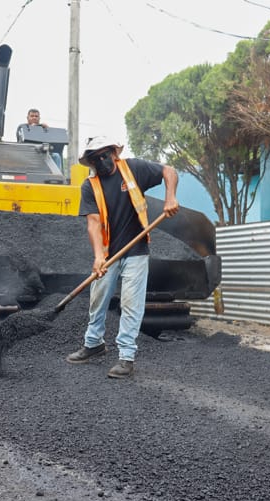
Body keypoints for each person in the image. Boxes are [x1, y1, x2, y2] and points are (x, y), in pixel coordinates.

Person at [65, 136, 179, 378]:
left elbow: (169, 171)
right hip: (108, 252)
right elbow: (93, 223)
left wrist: (170, 197)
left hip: (136, 251)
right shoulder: (90, 185)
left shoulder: (134, 169)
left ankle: (126, 357)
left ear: (114, 153)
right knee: (97, 298)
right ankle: (93, 343)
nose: (101, 161)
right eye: (95, 159)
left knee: (130, 303)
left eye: (104, 155)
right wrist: (98, 257)